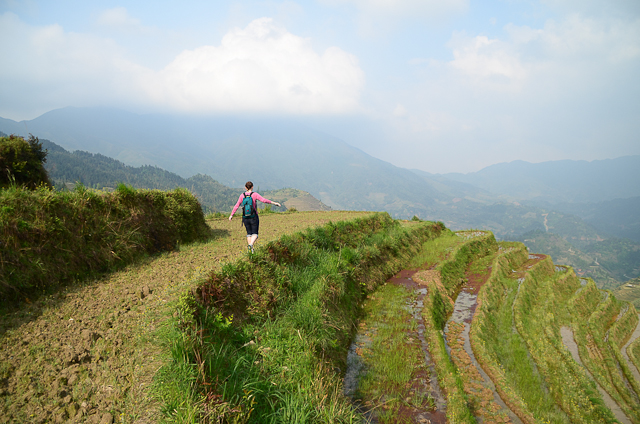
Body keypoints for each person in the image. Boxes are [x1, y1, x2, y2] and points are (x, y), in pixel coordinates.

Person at [229, 181, 281, 253]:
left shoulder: (242, 195)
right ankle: (250, 245)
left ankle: (251, 251)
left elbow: (237, 205)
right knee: (255, 234)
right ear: (252, 187)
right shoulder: (254, 194)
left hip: (245, 217)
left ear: (245, 187)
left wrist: (231, 215)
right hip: (253, 217)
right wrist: (274, 203)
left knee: (249, 234)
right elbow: (264, 200)